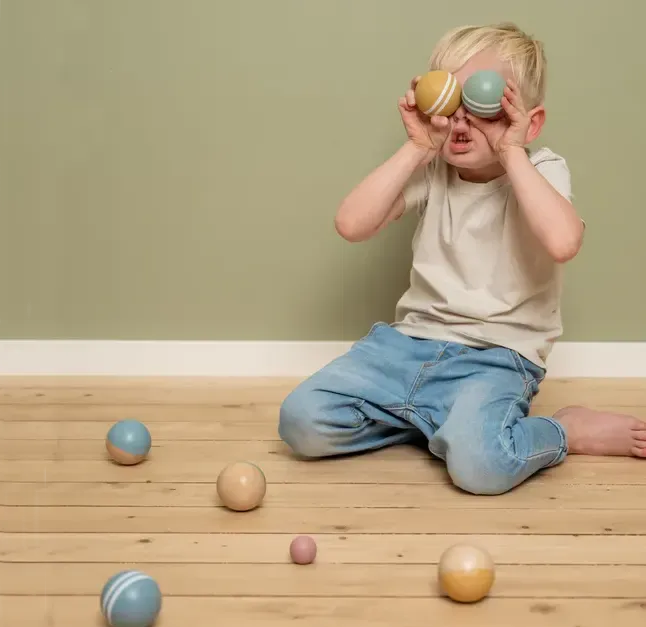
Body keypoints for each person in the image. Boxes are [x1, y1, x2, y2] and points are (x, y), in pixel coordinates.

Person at [277, 22, 646, 495]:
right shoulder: (432, 169)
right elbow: (352, 224)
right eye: (449, 104)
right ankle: (436, 420)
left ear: (528, 121)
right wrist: (417, 146)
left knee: (482, 468)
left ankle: (564, 430)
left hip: (495, 359)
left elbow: (562, 242)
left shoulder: (540, 169)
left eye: (484, 106)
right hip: (406, 347)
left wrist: (510, 150)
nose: (461, 122)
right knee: (301, 422)